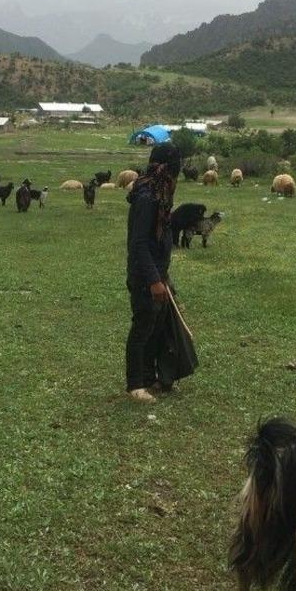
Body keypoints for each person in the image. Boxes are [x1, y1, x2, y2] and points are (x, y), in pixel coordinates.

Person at [125, 142, 183, 403]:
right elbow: (138, 243)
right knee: (143, 328)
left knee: (157, 327)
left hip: (158, 273)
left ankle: (151, 379)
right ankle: (135, 385)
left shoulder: (158, 194)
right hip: (145, 276)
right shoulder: (148, 198)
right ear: (166, 169)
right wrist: (153, 280)